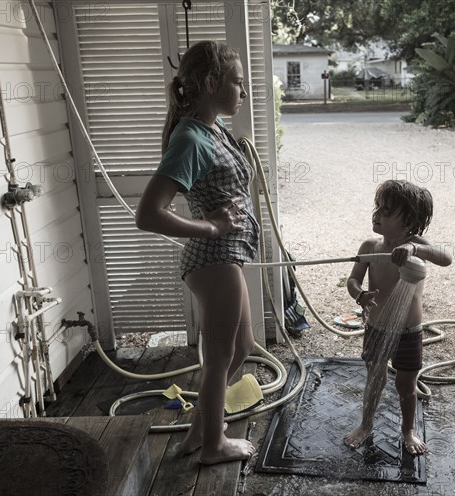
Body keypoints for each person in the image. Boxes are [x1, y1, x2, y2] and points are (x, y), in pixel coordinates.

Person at [135, 40, 259, 465]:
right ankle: (213, 446)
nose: (243, 92)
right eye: (237, 83)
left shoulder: (210, 128)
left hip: (225, 255)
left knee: (241, 347)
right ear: (210, 83)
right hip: (213, 258)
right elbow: (149, 214)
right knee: (221, 356)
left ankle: (199, 431)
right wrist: (211, 225)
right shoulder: (190, 136)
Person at [344, 180, 452, 455]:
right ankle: (366, 424)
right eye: (377, 207)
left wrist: (415, 250)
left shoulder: (415, 245)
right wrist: (360, 295)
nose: (377, 214)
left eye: (387, 211)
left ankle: (408, 430)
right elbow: (353, 279)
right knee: (375, 380)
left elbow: (446, 257)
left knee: (406, 385)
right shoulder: (370, 246)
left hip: (409, 331)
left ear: (409, 224)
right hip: (377, 327)